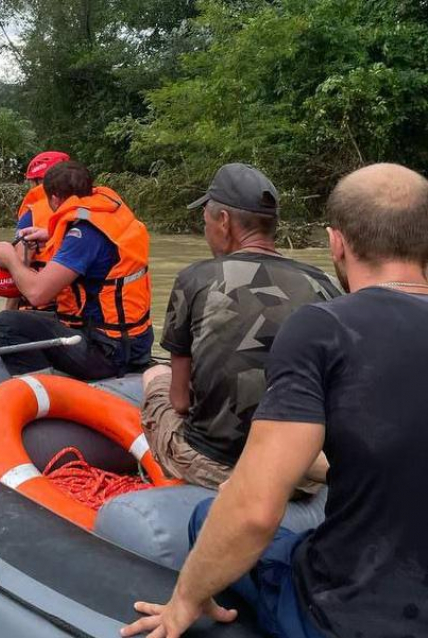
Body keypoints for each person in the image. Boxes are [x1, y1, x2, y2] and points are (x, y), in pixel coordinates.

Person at [121, 163, 428, 638]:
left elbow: (255, 512)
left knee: (207, 509)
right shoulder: (319, 288)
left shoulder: (322, 327)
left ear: (336, 243)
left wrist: (184, 601)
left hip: (343, 616)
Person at [141, 163, 340, 493]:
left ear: (223, 221)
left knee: (154, 375)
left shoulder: (195, 278)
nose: (206, 229)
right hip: (301, 472)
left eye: (205, 220)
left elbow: (180, 402)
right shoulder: (324, 283)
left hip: (215, 464)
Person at [0, 161, 153, 380]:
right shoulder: (107, 215)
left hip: (109, 352)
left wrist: (9, 258)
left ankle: (44, 390)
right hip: (134, 344)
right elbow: (97, 247)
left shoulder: (83, 236)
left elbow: (37, 294)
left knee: (6, 324)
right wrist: (50, 234)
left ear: (55, 198)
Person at [7, 151, 70, 311]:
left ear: (37, 181)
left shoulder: (31, 215)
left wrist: (7, 312)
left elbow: (19, 266)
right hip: (77, 305)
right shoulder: (82, 207)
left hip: (43, 306)